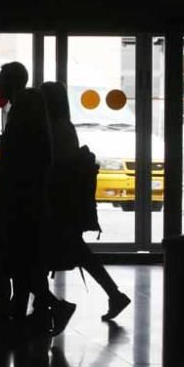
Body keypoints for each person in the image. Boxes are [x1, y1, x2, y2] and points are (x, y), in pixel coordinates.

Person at [0, 62, 76, 337]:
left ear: (13, 81)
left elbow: (20, 160)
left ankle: (44, 308)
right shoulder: (29, 107)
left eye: (2, 79)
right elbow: (25, 156)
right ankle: (21, 314)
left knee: (11, 257)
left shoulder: (23, 108)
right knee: (22, 260)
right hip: (29, 200)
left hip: (19, 202)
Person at [40, 81, 131, 321]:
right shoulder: (65, 127)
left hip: (60, 204)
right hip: (69, 204)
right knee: (80, 253)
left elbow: (55, 166)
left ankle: (47, 304)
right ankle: (114, 294)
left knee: (52, 252)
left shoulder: (57, 129)